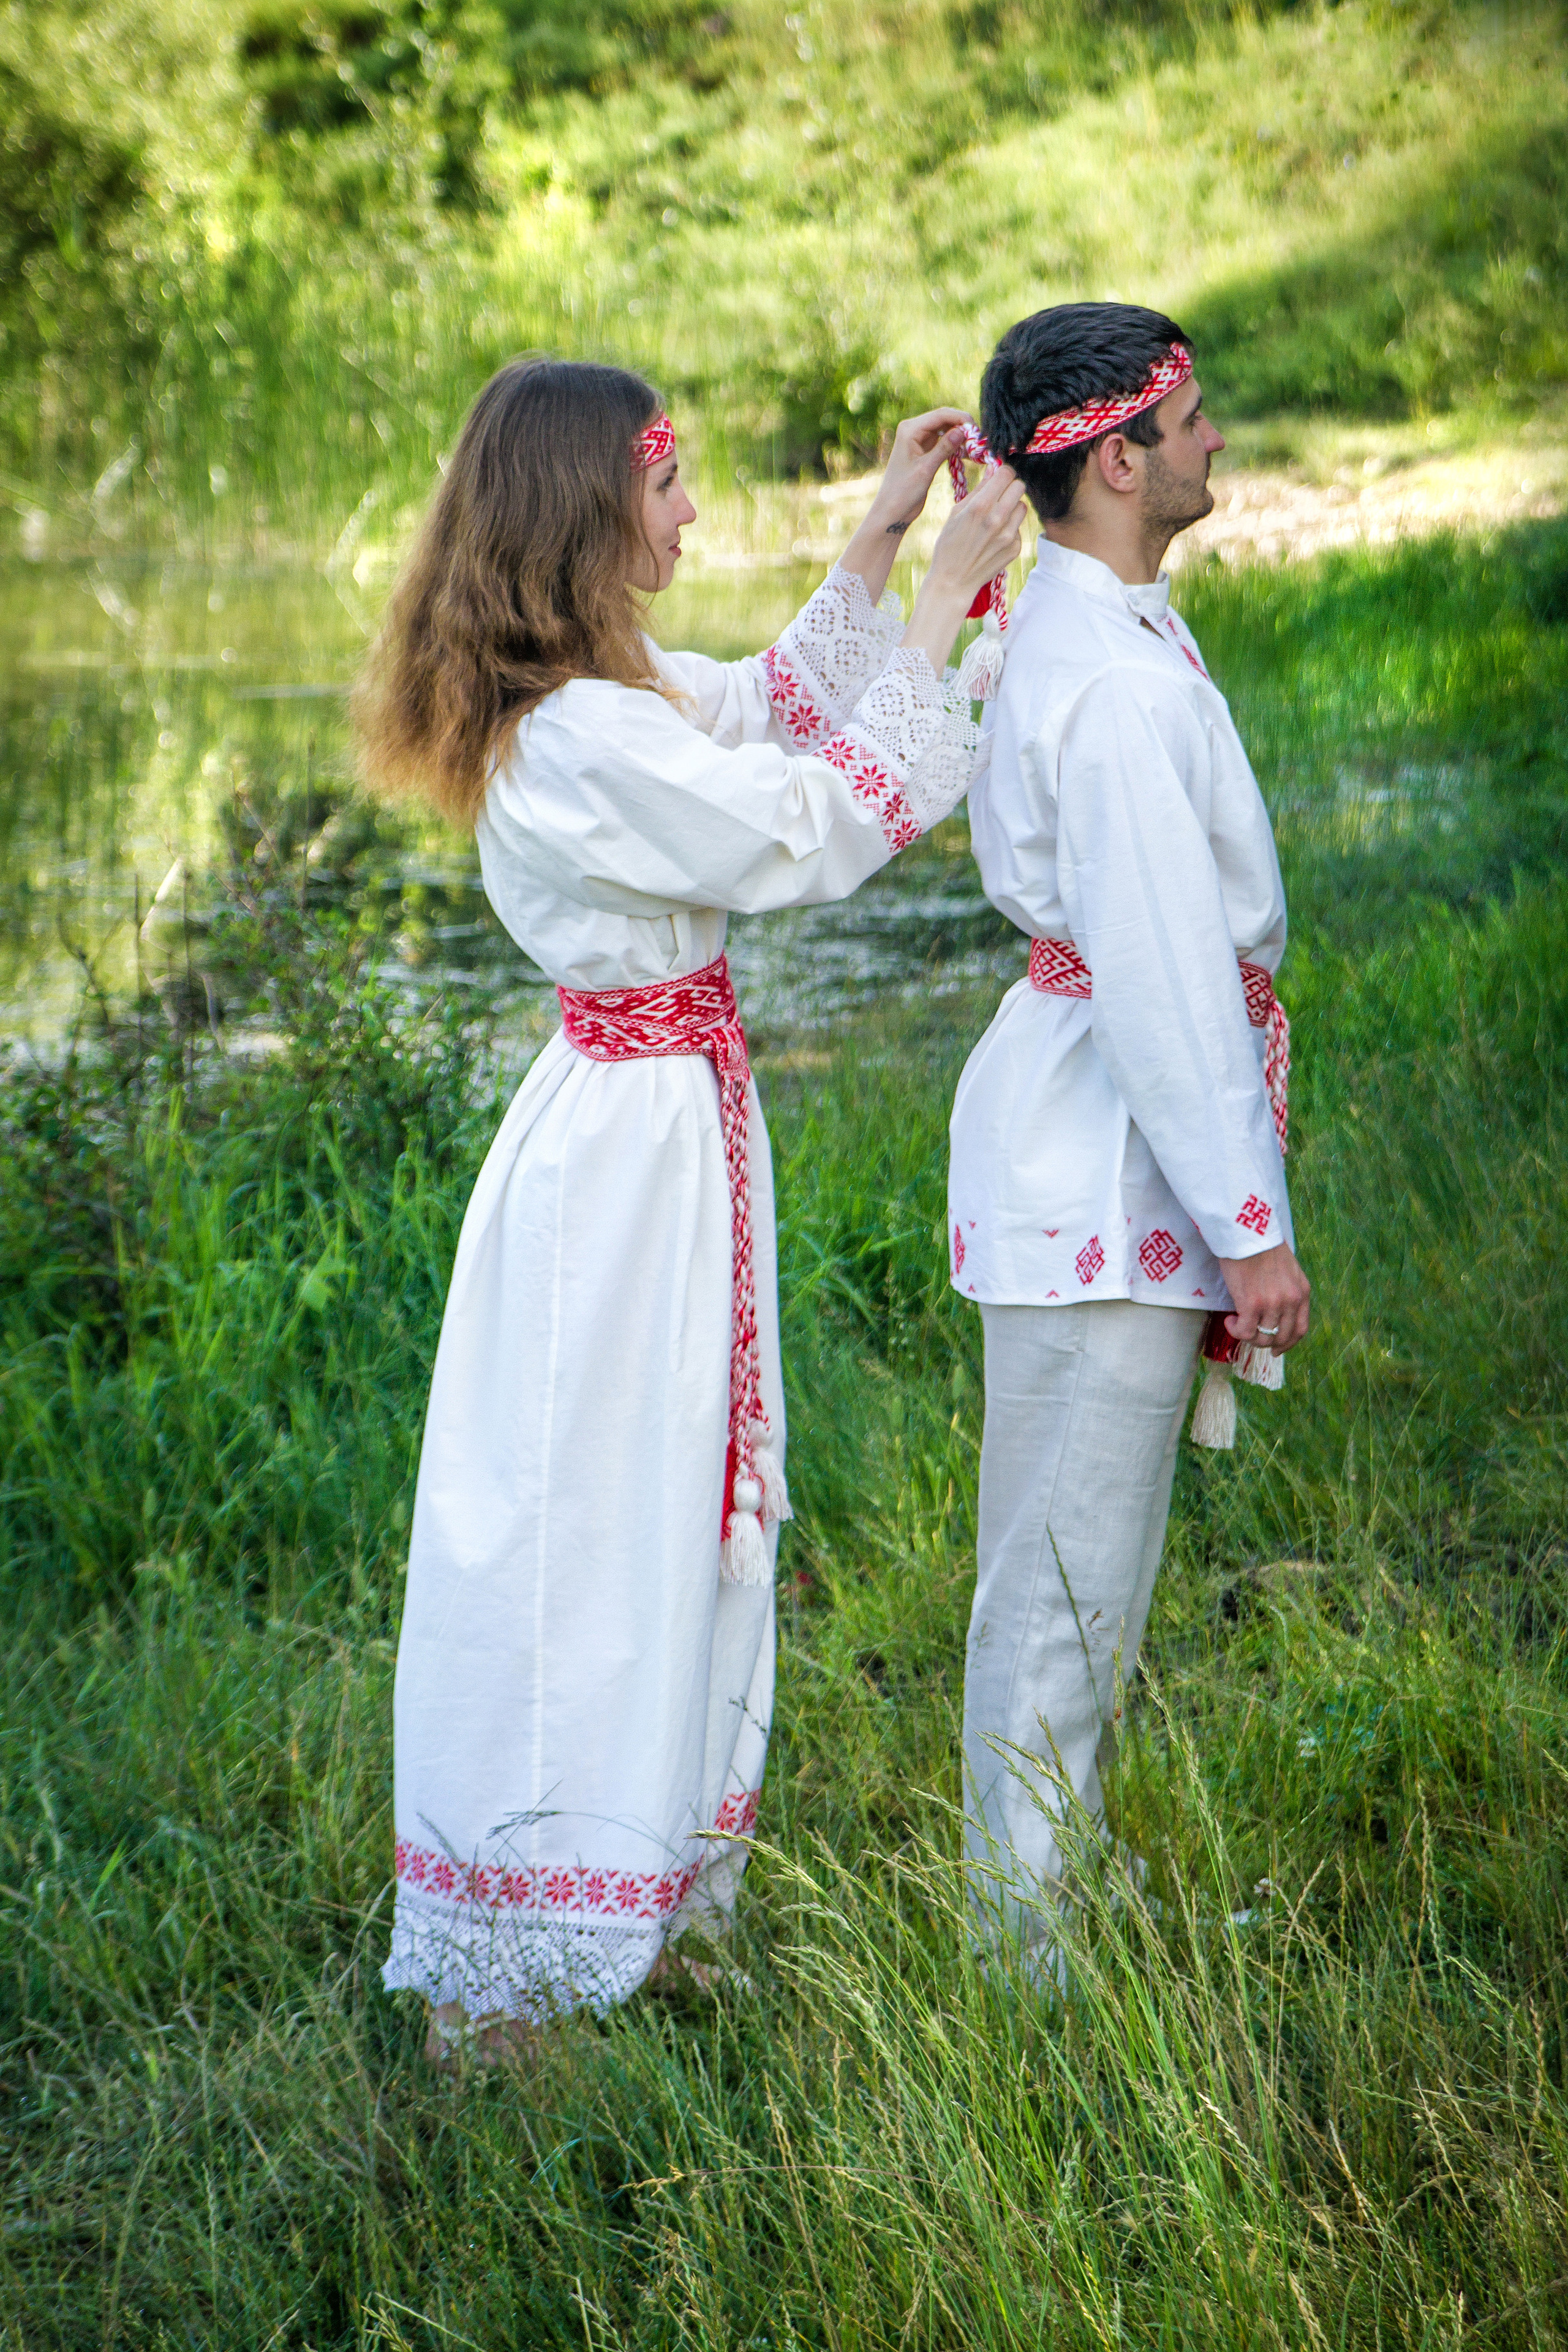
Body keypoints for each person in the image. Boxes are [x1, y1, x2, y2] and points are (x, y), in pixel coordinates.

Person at [354, 355, 1025, 2060]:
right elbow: (794, 825)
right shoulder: (573, 736)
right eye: (667, 486)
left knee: (663, 1512)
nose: (692, 509)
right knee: (597, 1526)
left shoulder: (607, 694)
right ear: (589, 510)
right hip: (620, 1179)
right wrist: (950, 607)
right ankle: (531, 1970)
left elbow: (756, 719)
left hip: (656, 1139)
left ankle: (637, 1900)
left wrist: (879, 543)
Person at [945, 303, 1310, 1967]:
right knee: (1064, 1594)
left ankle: (1052, 1896)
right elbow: (1165, 979)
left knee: (1081, 1576)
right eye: (1189, 419)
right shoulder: (1100, 681)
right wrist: (1253, 1226)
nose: (1213, 440)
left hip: (1089, 1136)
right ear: (1117, 461)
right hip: (1101, 1151)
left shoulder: (1101, 628)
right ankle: (1026, 1965)